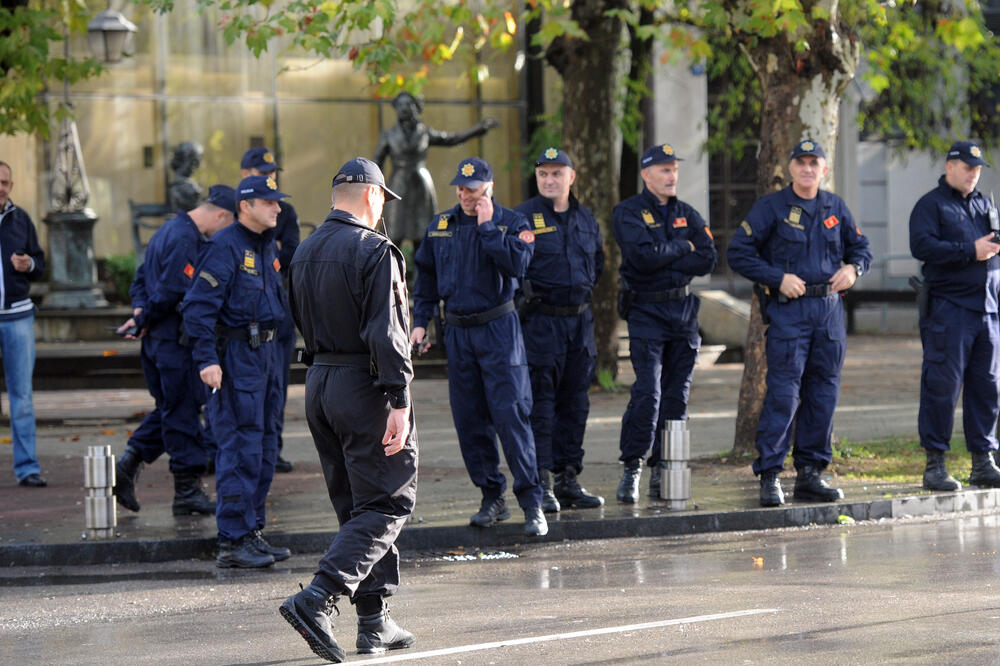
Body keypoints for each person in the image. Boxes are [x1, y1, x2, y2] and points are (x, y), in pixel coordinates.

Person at [280, 157, 416, 663]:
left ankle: (374, 620)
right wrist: (399, 398)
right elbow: (388, 331)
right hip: (365, 386)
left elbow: (298, 318)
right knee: (388, 501)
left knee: (357, 506)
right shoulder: (374, 250)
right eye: (383, 200)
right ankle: (318, 597)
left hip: (320, 381)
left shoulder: (304, 250)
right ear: (373, 196)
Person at [727, 139, 871, 507]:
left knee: (823, 395)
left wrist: (854, 269)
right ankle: (770, 475)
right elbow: (738, 252)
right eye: (801, 162)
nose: (807, 169)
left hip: (829, 313)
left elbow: (861, 248)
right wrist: (777, 278)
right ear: (790, 168)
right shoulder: (771, 208)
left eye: (814, 163)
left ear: (824, 169)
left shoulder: (835, 206)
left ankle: (810, 474)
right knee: (784, 395)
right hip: (790, 312)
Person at [410, 157, 547, 537]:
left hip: (499, 331)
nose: (464, 195)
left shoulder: (513, 224)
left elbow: (519, 265)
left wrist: (488, 228)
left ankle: (532, 502)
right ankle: (492, 497)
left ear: (489, 188)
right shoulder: (441, 226)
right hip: (458, 334)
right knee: (470, 421)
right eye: (460, 188)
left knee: (511, 416)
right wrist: (420, 323)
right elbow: (426, 280)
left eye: (471, 189)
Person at [181, 175, 290, 568]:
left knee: (264, 448)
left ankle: (251, 532)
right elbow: (198, 308)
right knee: (239, 449)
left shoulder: (265, 245)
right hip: (236, 359)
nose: (277, 207)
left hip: (267, 358)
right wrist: (207, 360)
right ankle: (232, 540)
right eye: (269, 202)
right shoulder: (225, 247)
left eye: (277, 201)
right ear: (246, 206)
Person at [113, 186, 236, 515]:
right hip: (174, 343)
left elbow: (140, 280)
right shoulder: (186, 238)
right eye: (230, 224)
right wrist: (145, 318)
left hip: (160, 341)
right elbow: (171, 291)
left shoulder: (167, 230)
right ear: (221, 215)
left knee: (173, 408)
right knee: (182, 412)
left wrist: (141, 313)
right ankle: (186, 492)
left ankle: (128, 464)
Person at [613, 144, 718, 503]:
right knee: (649, 393)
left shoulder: (687, 213)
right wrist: (683, 248)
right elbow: (641, 259)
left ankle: (667, 469)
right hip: (646, 311)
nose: (672, 176)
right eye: (664, 170)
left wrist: (667, 255)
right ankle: (633, 466)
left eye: (674, 169)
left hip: (683, 313)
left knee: (677, 398)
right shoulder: (628, 212)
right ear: (646, 174)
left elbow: (708, 258)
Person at [514, 147, 605, 512]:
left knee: (576, 403)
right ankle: (543, 480)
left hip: (579, 323)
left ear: (572, 177)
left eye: (556, 173)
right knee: (541, 405)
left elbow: (597, 264)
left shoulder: (586, 217)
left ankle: (568, 478)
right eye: (543, 174)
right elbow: (512, 269)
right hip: (541, 323)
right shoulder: (523, 217)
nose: (549, 180)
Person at [909, 140, 1000, 491]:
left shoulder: (984, 204)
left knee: (987, 387)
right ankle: (935, 464)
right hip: (950, 310)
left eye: (977, 169)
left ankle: (983, 461)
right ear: (950, 167)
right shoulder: (931, 205)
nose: (973, 174)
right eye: (967, 168)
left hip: (987, 310)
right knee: (942, 388)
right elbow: (922, 246)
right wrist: (969, 250)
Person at [240, 147, 300, 474]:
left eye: (272, 172)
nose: (270, 177)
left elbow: (290, 255)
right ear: (245, 175)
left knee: (277, 386)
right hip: (246, 320)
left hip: (278, 313)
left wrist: (272, 251)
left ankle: (271, 449)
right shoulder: (237, 211)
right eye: (262, 173)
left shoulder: (285, 212)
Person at [374, 92, 498, 245]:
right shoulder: (388, 135)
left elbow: (452, 139)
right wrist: (376, 189)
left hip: (421, 186)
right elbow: (376, 162)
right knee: (393, 234)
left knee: (422, 236)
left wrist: (478, 128)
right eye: (400, 105)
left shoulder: (424, 133)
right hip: (398, 186)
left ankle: (423, 261)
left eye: (408, 104)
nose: (404, 108)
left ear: (416, 107)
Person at [0, 161, 46, 487]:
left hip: (18, 317)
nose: (0, 188)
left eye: (5, 182)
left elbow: (41, 264)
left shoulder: (22, 220)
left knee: (22, 398)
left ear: (11, 186)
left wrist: (28, 263)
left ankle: (27, 468)